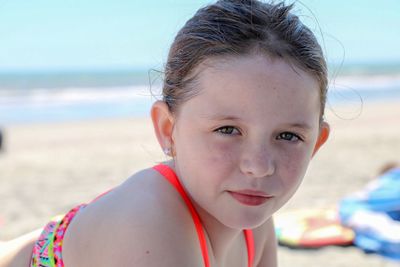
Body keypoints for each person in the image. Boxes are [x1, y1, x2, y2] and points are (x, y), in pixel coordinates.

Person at [0, 0, 330, 266]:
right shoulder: (147, 227)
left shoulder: (255, 224)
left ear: (316, 143)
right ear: (167, 129)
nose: (258, 166)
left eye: (288, 136)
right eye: (227, 130)